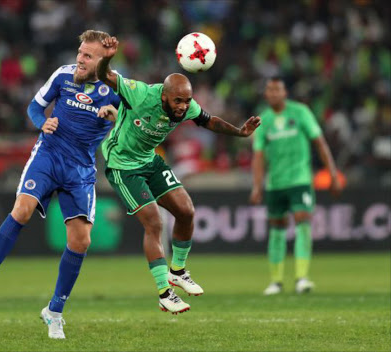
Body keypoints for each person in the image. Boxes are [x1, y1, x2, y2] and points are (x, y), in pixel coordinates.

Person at [0, 30, 120, 339]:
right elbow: (34, 107)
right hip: (49, 156)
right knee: (22, 210)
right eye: (80, 52)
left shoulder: (115, 88)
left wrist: (113, 115)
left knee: (81, 242)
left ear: (102, 61)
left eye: (88, 56)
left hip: (80, 169)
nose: (80, 59)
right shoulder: (63, 76)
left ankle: (54, 311)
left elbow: (126, 120)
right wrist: (43, 122)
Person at [96, 36, 261, 314]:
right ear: (163, 96)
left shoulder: (186, 106)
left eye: (187, 101)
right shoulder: (140, 93)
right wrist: (108, 57)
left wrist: (240, 132)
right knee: (153, 223)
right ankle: (164, 292)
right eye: (178, 101)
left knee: (186, 211)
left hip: (150, 160)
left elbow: (210, 121)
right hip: (122, 165)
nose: (183, 107)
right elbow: (105, 76)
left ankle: (178, 271)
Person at [249, 77, 342, 295]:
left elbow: (320, 143)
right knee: (277, 228)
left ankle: (302, 277)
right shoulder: (263, 120)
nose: (273, 93)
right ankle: (276, 281)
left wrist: (333, 174)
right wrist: (257, 186)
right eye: (269, 90)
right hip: (275, 184)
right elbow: (259, 156)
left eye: (277, 89)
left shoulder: (301, 112)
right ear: (266, 94)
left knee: (302, 220)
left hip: (300, 180)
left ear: (285, 92)